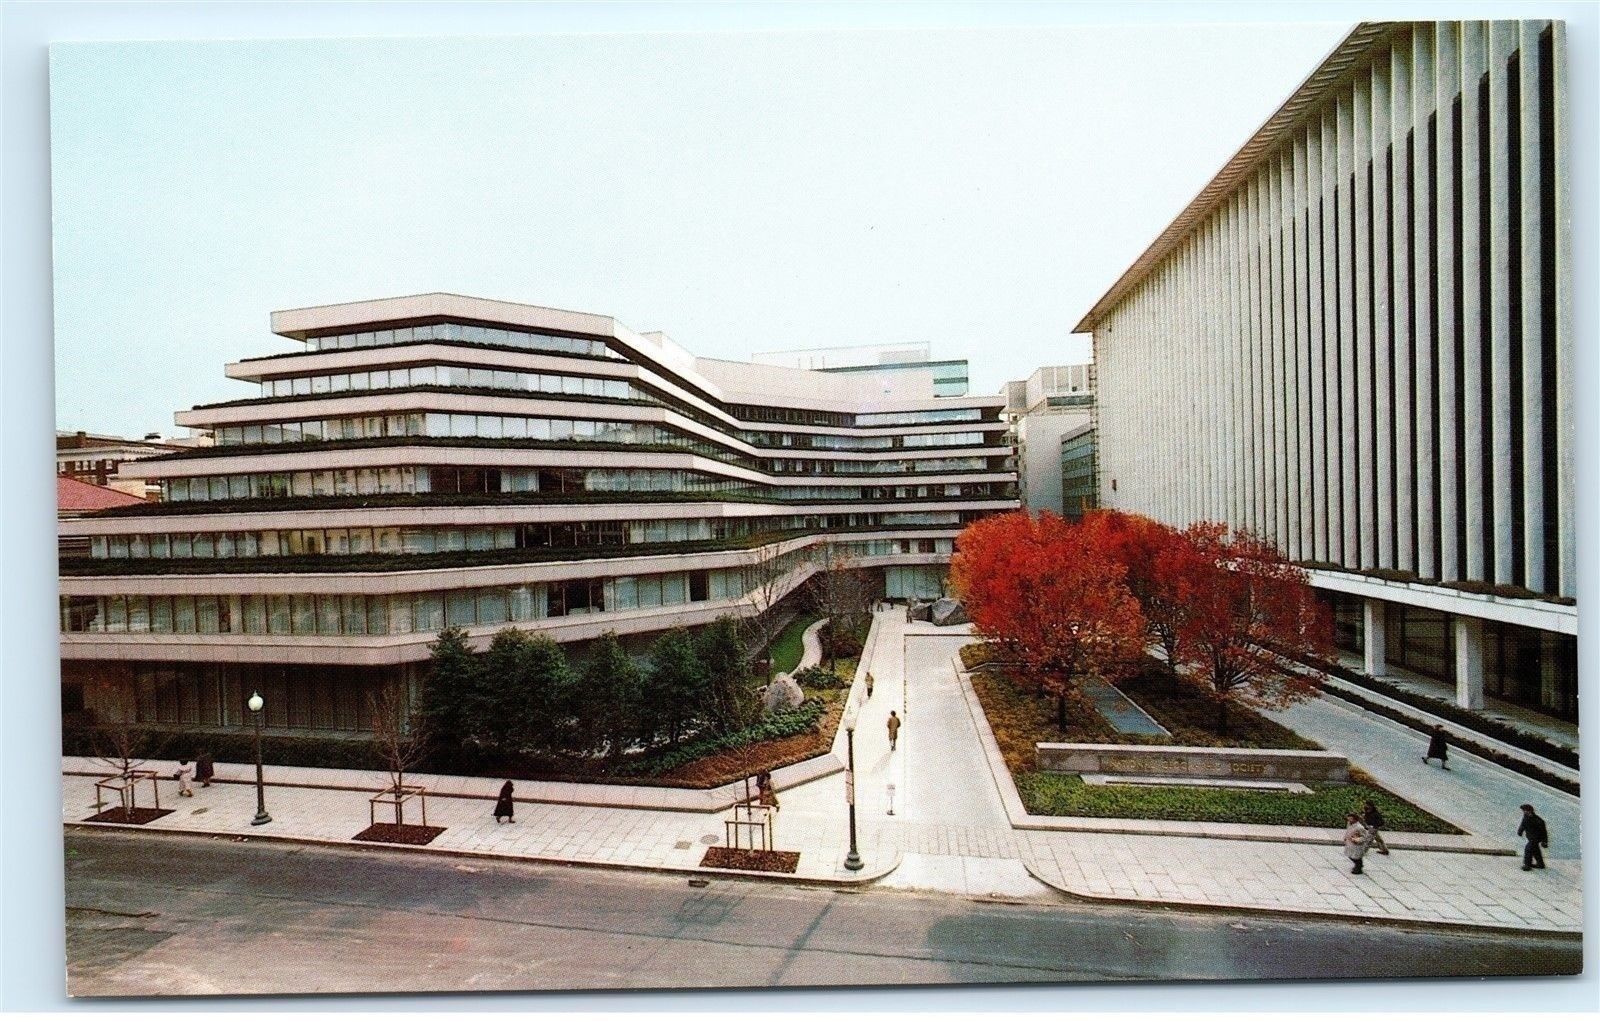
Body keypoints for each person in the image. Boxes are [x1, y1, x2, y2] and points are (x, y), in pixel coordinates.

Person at [1517, 803, 1549, 871]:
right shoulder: (1525, 817)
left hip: (1536, 838)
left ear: (1530, 811)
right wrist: (1520, 831)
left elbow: (1544, 832)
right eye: (1523, 810)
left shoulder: (1538, 820)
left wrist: (1544, 841)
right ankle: (1540, 864)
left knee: (1528, 849)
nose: (1524, 812)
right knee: (1535, 850)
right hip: (1531, 837)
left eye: (1525, 810)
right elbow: (1523, 825)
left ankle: (1527, 865)